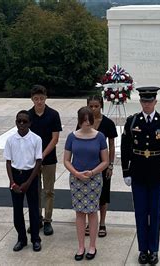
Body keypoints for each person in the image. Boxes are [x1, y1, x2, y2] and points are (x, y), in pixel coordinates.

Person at [120, 87, 160, 265]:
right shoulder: (132, 121)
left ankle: (153, 250)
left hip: (157, 172)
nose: (147, 104)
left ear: (155, 102)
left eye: (150, 101)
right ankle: (142, 249)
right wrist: (126, 171)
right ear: (140, 102)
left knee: (155, 213)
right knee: (140, 213)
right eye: (144, 101)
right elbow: (125, 148)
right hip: (138, 172)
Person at [64, 107, 109, 261]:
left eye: (89, 122)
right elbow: (66, 160)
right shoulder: (72, 137)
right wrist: (76, 173)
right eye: (84, 122)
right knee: (79, 212)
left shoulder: (100, 137)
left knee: (92, 211)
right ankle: (81, 245)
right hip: (76, 179)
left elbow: (105, 161)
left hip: (94, 179)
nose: (87, 125)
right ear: (79, 121)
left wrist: (92, 172)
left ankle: (92, 245)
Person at [77, 95, 117, 238]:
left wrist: (111, 165)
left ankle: (102, 223)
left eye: (96, 106)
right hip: (86, 164)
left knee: (103, 195)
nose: (93, 109)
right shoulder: (83, 122)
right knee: (87, 194)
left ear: (101, 106)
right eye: (91, 106)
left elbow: (111, 146)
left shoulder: (108, 123)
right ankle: (89, 222)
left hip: (102, 164)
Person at [4, 110, 42, 252]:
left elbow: (38, 162)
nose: (21, 124)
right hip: (16, 176)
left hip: (30, 175)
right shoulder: (10, 140)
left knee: (33, 209)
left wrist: (28, 182)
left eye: (24, 121)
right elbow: (8, 162)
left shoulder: (36, 139)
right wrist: (12, 182)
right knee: (17, 210)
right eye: (19, 121)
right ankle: (21, 238)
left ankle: (35, 239)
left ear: (30, 123)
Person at [28, 84, 62, 236]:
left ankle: (48, 220)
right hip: (32, 160)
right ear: (32, 99)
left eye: (41, 98)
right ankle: (37, 219)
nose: (39, 101)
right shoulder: (28, 115)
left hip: (49, 159)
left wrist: (42, 154)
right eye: (36, 99)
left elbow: (55, 138)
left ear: (46, 98)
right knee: (34, 191)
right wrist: (35, 156)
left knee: (48, 191)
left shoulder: (53, 114)